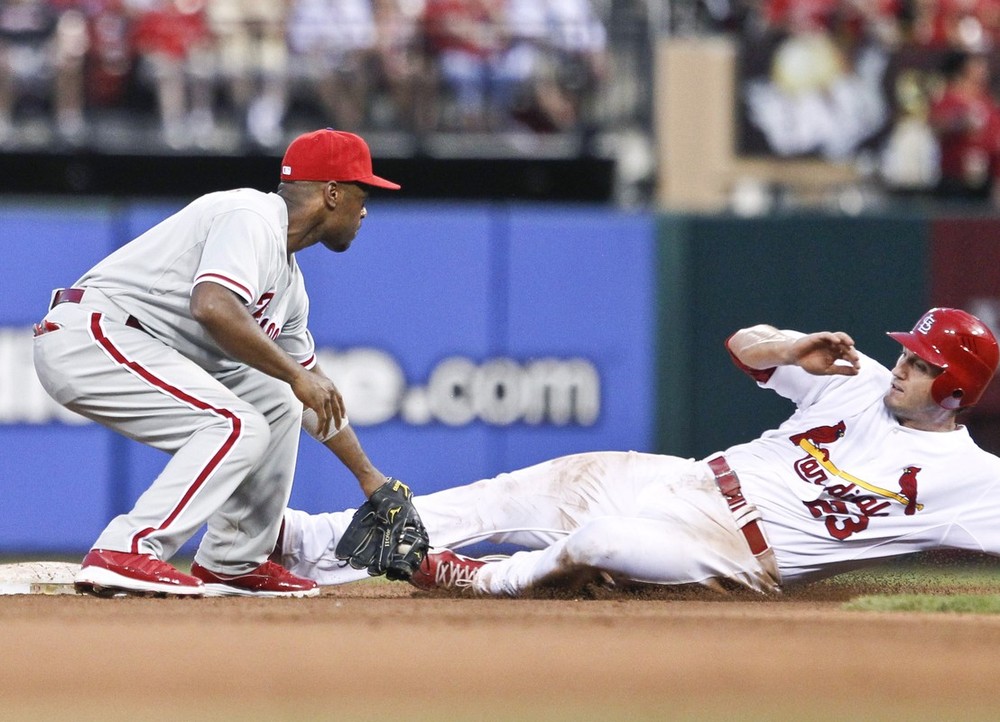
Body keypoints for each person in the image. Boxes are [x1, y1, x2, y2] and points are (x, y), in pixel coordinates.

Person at [272, 307, 1000, 596]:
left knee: (603, 541)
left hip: (737, 553)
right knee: (506, 493)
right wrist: (790, 348)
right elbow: (744, 346)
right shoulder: (855, 379)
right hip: (690, 480)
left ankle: (483, 581)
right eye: (910, 352)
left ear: (958, 389)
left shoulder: (970, 481)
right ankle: (304, 540)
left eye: (927, 364)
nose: (905, 365)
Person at [33, 128, 402, 598]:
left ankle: (232, 560)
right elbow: (212, 305)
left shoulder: (290, 285)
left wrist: (370, 477)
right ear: (332, 194)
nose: (365, 209)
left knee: (279, 403)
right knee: (236, 424)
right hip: (93, 334)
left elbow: (313, 391)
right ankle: (127, 549)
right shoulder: (251, 216)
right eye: (361, 193)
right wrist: (295, 375)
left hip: (134, 342)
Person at [928, 49, 1000, 206]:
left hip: (983, 181)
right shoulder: (949, 98)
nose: (983, 70)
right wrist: (958, 123)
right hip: (954, 180)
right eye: (977, 65)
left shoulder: (987, 103)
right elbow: (935, 126)